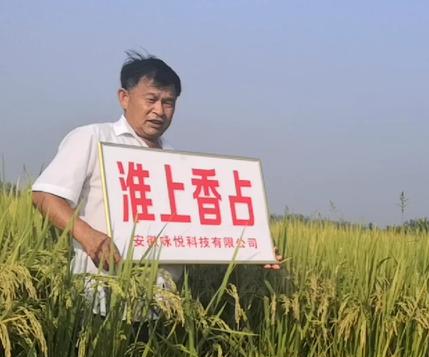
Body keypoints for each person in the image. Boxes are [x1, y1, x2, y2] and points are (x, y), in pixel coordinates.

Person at [32, 51, 279, 315]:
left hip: (161, 305)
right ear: (124, 98)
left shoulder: (177, 162)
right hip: (98, 298)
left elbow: (200, 230)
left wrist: (257, 247)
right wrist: (89, 236)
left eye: (168, 102)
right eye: (151, 99)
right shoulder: (93, 138)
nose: (159, 111)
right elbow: (45, 195)